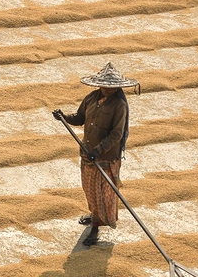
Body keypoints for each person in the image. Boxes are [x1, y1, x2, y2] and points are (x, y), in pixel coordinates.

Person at [52, 62, 138, 247]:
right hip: (88, 154)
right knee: (90, 189)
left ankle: (96, 226)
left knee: (102, 193)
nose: (108, 90)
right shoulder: (91, 98)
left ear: (117, 87)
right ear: (99, 85)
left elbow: (116, 134)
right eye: (106, 86)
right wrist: (64, 117)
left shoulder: (119, 105)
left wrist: (98, 150)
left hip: (105, 158)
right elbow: (80, 118)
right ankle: (94, 215)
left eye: (112, 87)